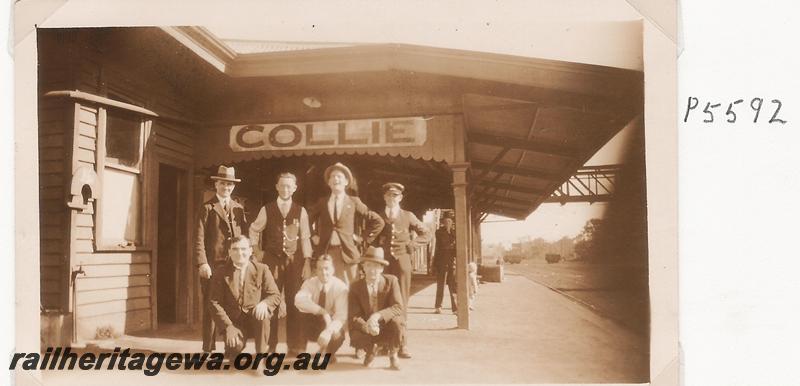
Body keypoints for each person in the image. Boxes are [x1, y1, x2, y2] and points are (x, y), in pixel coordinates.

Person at [249, 172, 313, 355]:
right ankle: (270, 345)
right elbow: (254, 229)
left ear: (295, 188)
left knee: (296, 301)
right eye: (282, 185)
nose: (285, 189)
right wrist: (257, 251)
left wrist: (307, 262)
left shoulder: (301, 211)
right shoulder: (267, 208)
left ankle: (296, 345)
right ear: (276, 187)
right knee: (271, 300)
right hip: (271, 261)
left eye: (289, 186)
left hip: (295, 261)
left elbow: (306, 238)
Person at [194, 165, 248, 352]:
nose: (226, 187)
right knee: (211, 304)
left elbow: (245, 238)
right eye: (223, 183)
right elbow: (198, 238)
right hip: (213, 265)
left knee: (232, 305)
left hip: (233, 264)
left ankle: (231, 347)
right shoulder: (207, 208)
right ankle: (208, 349)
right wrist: (202, 262)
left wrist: (246, 261)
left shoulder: (239, 209)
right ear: (216, 184)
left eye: (230, 184)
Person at [376, 182, 430, 358]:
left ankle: (402, 344)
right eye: (389, 195)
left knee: (401, 302)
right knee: (383, 301)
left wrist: (412, 246)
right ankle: (384, 344)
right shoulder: (377, 216)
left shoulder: (408, 216)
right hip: (383, 263)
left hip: (402, 264)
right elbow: (369, 237)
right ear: (384, 197)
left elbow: (427, 234)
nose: (392, 199)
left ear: (400, 198)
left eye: (395, 196)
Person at [308, 162, 384, 285]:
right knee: (327, 291)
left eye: (339, 176)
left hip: (347, 254)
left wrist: (362, 238)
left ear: (346, 182)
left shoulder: (354, 202)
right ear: (328, 182)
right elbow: (306, 219)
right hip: (326, 253)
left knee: (348, 292)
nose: (335, 179)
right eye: (332, 176)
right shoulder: (322, 202)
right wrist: (313, 236)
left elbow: (378, 221)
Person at [208, 236, 281, 358]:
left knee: (263, 316)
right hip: (234, 323)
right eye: (235, 249)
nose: (239, 253)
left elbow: (275, 295)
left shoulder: (262, 269)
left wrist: (264, 304)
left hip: (255, 320)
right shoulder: (221, 272)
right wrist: (228, 327)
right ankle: (233, 349)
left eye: (243, 249)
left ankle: (261, 357)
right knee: (234, 351)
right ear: (229, 252)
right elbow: (214, 302)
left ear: (250, 251)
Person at [348, 247, 405, 370]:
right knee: (354, 330)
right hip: (367, 328)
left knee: (398, 322)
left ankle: (393, 354)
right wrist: (366, 326)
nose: (372, 270)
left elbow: (398, 307)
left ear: (382, 268)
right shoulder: (355, 287)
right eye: (368, 265)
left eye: (376, 266)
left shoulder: (391, 281)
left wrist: (377, 316)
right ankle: (370, 350)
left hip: (386, 324)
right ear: (363, 267)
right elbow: (353, 315)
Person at [294, 255, 348, 361]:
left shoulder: (340, 287)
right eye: (320, 269)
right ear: (316, 271)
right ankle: (301, 350)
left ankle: (329, 351)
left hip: (330, 323)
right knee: (300, 315)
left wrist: (328, 331)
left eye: (327, 268)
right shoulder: (310, 283)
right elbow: (299, 300)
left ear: (333, 270)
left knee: (339, 333)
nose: (324, 272)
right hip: (314, 321)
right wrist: (322, 311)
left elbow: (341, 316)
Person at [433, 212, 457, 314]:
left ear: (452, 222)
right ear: (443, 222)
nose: (448, 223)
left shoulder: (454, 232)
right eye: (446, 221)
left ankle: (455, 308)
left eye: (450, 221)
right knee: (441, 285)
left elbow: (455, 246)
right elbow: (444, 243)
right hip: (441, 262)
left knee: (453, 285)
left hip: (452, 262)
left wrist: (452, 244)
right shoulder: (438, 232)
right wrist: (452, 243)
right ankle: (438, 306)